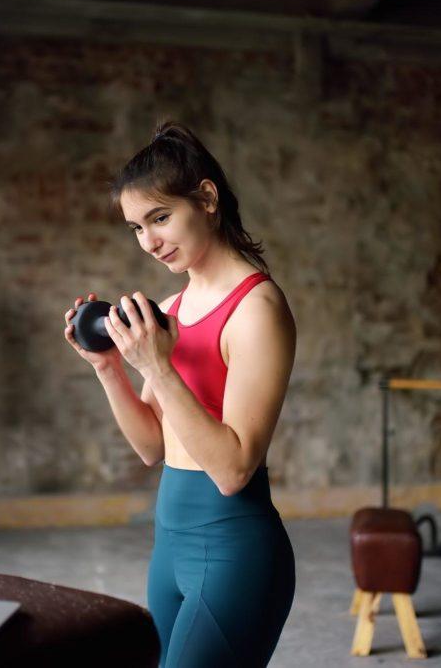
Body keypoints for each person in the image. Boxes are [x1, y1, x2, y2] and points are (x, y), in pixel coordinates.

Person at [63, 121, 297, 667]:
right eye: (136, 228)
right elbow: (152, 446)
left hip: (233, 550)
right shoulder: (170, 309)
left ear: (207, 198)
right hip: (168, 546)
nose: (149, 242)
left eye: (160, 217)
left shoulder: (257, 309)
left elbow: (235, 468)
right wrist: (108, 368)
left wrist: (158, 368)